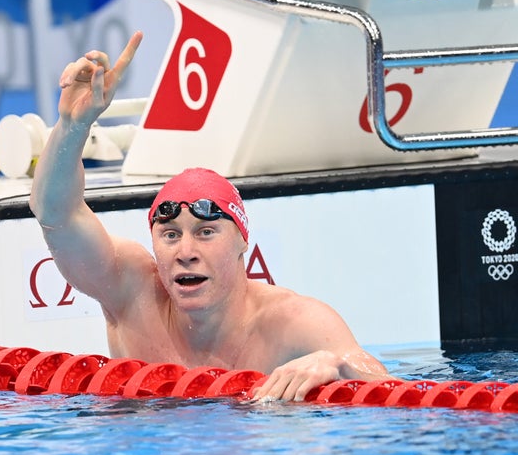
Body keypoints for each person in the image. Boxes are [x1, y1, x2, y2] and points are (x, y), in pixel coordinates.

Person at [29, 31, 392, 402]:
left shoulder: (292, 322)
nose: (185, 250)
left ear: (242, 243)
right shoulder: (130, 292)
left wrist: (334, 364)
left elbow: (386, 387)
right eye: (170, 235)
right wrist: (73, 127)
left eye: (205, 232)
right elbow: (56, 212)